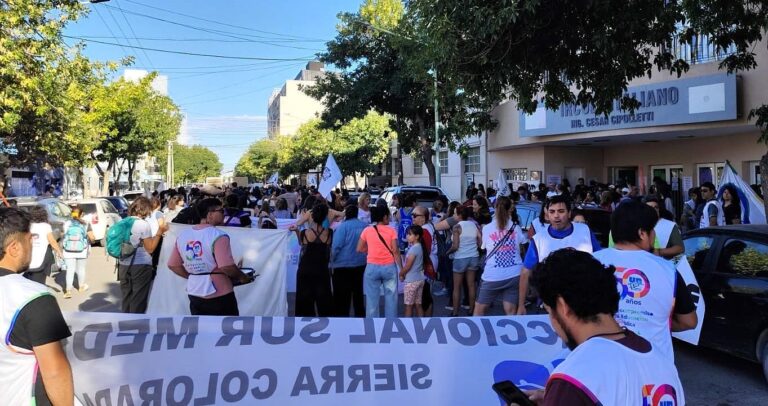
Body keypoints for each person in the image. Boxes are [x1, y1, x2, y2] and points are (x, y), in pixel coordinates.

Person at [528, 249, 685, 405]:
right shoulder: (663, 364)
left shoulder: (573, 379)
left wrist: (561, 397)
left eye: (549, 310)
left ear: (563, 306)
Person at [593, 201, 697, 361]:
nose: (654, 234)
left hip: (600, 358)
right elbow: (689, 321)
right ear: (642, 233)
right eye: (652, 230)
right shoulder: (668, 270)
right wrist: (656, 323)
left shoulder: (590, 262)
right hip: (653, 364)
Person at [0, 208, 75, 406]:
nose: (33, 244)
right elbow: (55, 372)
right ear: (14, 248)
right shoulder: (34, 297)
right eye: (30, 239)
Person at [168, 198, 252, 316]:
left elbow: (173, 264)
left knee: (202, 326)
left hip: (194, 291)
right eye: (221, 211)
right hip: (220, 292)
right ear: (210, 214)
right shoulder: (218, 235)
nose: (224, 213)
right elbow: (226, 266)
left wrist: (192, 276)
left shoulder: (183, 235)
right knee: (226, 326)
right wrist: (242, 277)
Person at [521, 195, 602, 313]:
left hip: (583, 302)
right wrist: (521, 304)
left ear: (569, 213)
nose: (556, 215)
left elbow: (600, 260)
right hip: (550, 306)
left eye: (561, 211)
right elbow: (525, 272)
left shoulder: (584, 230)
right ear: (547, 215)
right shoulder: (538, 239)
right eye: (552, 211)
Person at [474, 196, 527, 316]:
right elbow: (523, 245)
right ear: (510, 209)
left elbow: (483, 247)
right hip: (514, 273)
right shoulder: (516, 228)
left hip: (492, 275)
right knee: (511, 311)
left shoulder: (487, 228)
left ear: (495, 207)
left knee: (479, 311)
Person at [119, 197, 167, 313]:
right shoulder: (143, 225)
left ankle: (124, 320)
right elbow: (150, 248)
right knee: (138, 299)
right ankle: (136, 323)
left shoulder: (122, 222)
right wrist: (159, 232)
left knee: (126, 297)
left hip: (123, 264)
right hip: (141, 265)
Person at [291, 202, 334, 317]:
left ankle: (303, 325)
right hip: (322, 270)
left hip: (305, 270)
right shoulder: (329, 233)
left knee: (304, 302)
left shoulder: (305, 233)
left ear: (313, 216)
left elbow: (301, 244)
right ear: (325, 217)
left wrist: (296, 231)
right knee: (324, 302)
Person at [357, 206, 400, 318]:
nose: (389, 218)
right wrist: (401, 269)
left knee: (371, 300)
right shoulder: (392, 231)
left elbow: (359, 248)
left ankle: (372, 325)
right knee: (391, 298)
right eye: (388, 216)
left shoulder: (367, 230)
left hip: (372, 267)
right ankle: (390, 324)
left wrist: (370, 250)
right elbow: (395, 251)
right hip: (389, 267)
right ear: (384, 217)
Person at [331, 205, 368, 317]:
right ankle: (360, 319)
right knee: (358, 294)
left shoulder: (342, 227)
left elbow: (336, 246)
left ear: (346, 214)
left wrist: (331, 261)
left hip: (342, 265)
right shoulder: (365, 226)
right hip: (360, 264)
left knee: (342, 297)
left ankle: (343, 320)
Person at [447, 206, 481, 316]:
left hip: (460, 258)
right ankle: (472, 310)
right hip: (474, 257)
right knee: (471, 285)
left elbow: (455, 246)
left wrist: (447, 252)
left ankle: (455, 312)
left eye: (455, 213)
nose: (453, 215)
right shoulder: (473, 225)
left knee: (457, 287)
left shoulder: (457, 227)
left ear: (460, 215)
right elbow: (480, 241)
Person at [61, 207, 95, 299]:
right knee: (81, 269)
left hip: (68, 250)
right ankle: (81, 287)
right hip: (82, 250)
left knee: (70, 270)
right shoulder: (86, 223)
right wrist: (92, 241)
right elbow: (92, 237)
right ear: (82, 214)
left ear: (71, 214)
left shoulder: (66, 223)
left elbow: (62, 235)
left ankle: (68, 291)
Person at [25, 206, 62, 285]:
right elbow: (52, 241)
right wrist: (59, 252)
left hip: (27, 261)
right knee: (39, 284)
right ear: (44, 215)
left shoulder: (27, 226)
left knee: (28, 283)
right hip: (41, 260)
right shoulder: (46, 226)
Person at [411, 206, 436, 314]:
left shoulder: (424, 231)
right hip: (427, 264)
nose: (412, 218)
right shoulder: (427, 227)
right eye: (412, 215)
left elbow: (424, 252)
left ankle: (426, 321)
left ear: (423, 218)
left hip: (425, 266)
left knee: (425, 298)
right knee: (425, 297)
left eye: (415, 215)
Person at [399, 225, 427, 317]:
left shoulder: (414, 249)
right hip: (420, 279)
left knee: (408, 306)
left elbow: (408, 266)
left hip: (411, 281)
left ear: (417, 236)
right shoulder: (419, 246)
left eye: (410, 234)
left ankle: (408, 325)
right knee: (418, 304)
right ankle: (422, 324)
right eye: (407, 234)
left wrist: (401, 274)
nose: (407, 236)